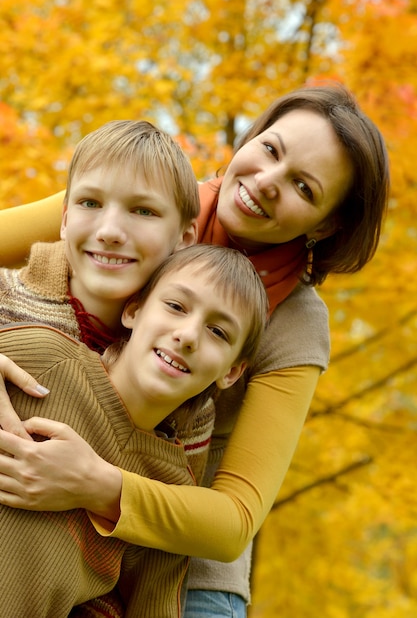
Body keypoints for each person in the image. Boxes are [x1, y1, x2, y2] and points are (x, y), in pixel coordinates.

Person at [0, 83, 390, 617]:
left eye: (303, 186)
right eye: (272, 150)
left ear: (325, 224)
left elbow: (233, 520)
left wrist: (95, 483)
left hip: (179, 540)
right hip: (48, 460)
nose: (268, 182)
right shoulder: (145, 199)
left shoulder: (298, 324)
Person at [0, 243, 269, 618]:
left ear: (232, 372)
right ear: (134, 309)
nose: (188, 335)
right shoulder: (42, 359)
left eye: (218, 332)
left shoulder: (170, 492)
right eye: (176, 306)